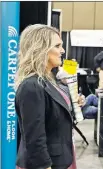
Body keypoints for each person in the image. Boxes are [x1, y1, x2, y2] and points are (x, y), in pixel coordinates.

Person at [15, 24, 77, 169]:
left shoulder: (49, 79)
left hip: (62, 158)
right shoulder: (31, 86)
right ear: (40, 49)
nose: (62, 50)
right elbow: (34, 139)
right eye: (57, 46)